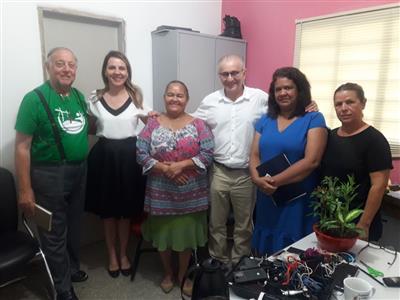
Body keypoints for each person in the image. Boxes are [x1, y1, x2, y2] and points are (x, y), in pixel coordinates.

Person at [193, 55, 317, 265]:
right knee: (216, 223)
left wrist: (310, 104)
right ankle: (217, 261)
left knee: (244, 224)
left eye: (235, 73)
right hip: (219, 171)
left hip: (247, 173)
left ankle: (239, 264)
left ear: (244, 73)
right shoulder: (210, 101)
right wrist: (159, 117)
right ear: (219, 76)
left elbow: (286, 107)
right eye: (225, 74)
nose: (230, 78)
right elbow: (191, 121)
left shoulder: (260, 98)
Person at [15, 47, 88, 300]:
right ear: (48, 67)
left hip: (79, 172)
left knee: (75, 226)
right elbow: (22, 147)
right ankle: (63, 288)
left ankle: (72, 269)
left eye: (71, 64)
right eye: (60, 64)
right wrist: (25, 190)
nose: (66, 69)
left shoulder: (78, 96)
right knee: (54, 233)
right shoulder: (33, 99)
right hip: (49, 175)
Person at [136, 80, 214, 295]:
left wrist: (182, 166)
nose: (174, 99)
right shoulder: (152, 123)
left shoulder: (199, 124)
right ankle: (168, 273)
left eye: (179, 95)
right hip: (160, 192)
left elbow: (207, 153)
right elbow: (140, 152)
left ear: (187, 100)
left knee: (185, 237)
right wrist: (164, 169)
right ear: (164, 97)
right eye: (170, 94)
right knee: (163, 237)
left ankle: (182, 274)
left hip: (191, 192)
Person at [249, 67, 327, 256]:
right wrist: (256, 179)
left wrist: (274, 182)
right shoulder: (266, 120)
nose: (283, 93)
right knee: (266, 248)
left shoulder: (314, 118)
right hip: (268, 196)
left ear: (299, 90)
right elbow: (254, 154)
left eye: (288, 88)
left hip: (297, 199)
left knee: (294, 252)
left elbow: (312, 161)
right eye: (278, 89)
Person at [85, 51, 149, 278]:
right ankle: (111, 254)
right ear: (105, 71)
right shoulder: (93, 98)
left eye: (122, 68)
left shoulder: (137, 97)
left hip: (129, 159)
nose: (117, 72)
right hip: (104, 159)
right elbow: (90, 127)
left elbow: (150, 123)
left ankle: (123, 254)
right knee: (108, 212)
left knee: (125, 212)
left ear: (127, 72)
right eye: (112, 67)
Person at [320, 83, 392, 241]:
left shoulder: (375, 141)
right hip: (329, 220)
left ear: (363, 103)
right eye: (338, 104)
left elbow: (378, 186)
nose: (343, 108)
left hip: (356, 222)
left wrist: (363, 225)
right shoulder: (329, 136)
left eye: (350, 102)